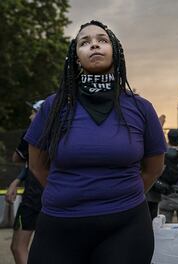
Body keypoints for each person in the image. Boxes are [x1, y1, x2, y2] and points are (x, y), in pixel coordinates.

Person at [24, 21, 166, 264]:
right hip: (59, 225)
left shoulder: (140, 108)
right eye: (84, 42)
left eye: (102, 40)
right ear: (76, 57)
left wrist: (119, 195)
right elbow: (37, 165)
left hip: (125, 226)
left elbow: (153, 168)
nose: (94, 45)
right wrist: (69, 193)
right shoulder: (54, 106)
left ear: (116, 51)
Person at [5, 100, 44, 264]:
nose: (30, 115)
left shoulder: (33, 131)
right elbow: (34, 165)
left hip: (34, 194)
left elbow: (17, 158)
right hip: (55, 193)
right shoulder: (64, 131)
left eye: (34, 112)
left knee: (18, 246)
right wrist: (17, 180)